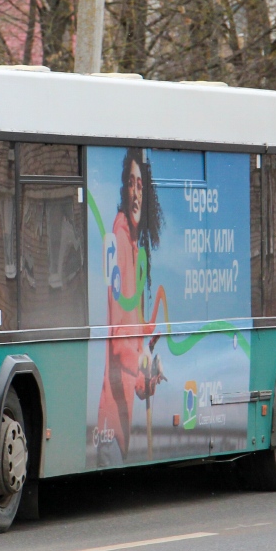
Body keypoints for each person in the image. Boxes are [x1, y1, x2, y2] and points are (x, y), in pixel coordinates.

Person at [96, 148, 167, 466]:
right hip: (111, 423)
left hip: (119, 428)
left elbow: (132, 337)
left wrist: (149, 370)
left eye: (141, 184)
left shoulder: (136, 246)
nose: (136, 192)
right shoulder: (121, 239)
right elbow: (119, 339)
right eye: (130, 183)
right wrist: (143, 358)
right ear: (123, 189)